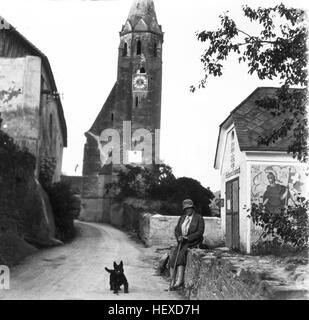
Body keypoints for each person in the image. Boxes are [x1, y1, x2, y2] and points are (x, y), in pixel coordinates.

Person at [169, 199, 205, 290]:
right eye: (186, 209)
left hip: (193, 242)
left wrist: (187, 238)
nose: (188, 210)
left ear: (193, 208)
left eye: (189, 208)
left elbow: (200, 232)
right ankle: (172, 280)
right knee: (173, 257)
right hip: (182, 242)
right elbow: (177, 230)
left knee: (181, 256)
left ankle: (179, 281)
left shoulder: (199, 218)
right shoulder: (182, 218)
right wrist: (179, 237)